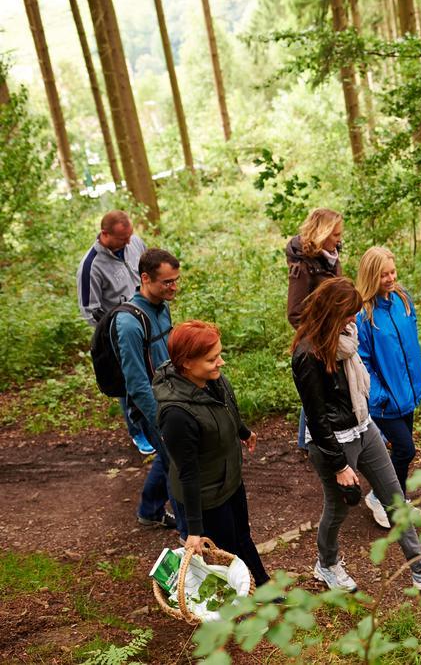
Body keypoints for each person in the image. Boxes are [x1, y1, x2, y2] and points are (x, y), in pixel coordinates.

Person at [291, 277, 421, 593]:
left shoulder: (347, 336)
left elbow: (357, 389)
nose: (354, 320)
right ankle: (326, 564)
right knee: (338, 508)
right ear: (330, 314)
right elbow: (316, 417)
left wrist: (371, 425)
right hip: (334, 442)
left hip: (364, 427)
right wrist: (340, 466)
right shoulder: (308, 355)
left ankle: (420, 570)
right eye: (348, 314)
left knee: (394, 497)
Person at [153, 320, 270, 586]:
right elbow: (188, 473)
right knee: (227, 550)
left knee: (242, 535)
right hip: (206, 496)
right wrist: (194, 530)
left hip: (228, 478)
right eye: (211, 359)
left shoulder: (212, 380)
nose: (221, 363)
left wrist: (243, 431)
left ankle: (261, 583)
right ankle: (240, 599)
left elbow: (226, 409)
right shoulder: (176, 415)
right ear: (186, 364)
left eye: (219, 355)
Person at [355, 247, 421, 529]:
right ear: (371, 275)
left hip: (406, 393)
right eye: (383, 274)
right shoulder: (364, 314)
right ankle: (384, 499)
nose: (390, 278)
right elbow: (362, 362)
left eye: (393, 272)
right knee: (405, 450)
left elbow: (410, 345)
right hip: (385, 400)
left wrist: (416, 384)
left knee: (400, 450)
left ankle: (393, 497)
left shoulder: (402, 300)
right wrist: (380, 396)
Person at [116, 248, 186, 537]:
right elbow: (135, 384)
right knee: (179, 465)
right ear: (145, 278)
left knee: (168, 455)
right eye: (167, 282)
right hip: (152, 408)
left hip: (171, 396)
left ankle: (149, 511)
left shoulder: (161, 306)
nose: (174, 287)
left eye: (176, 280)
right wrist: (161, 418)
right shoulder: (130, 324)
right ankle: (189, 534)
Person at [76, 210, 152, 455]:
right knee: (129, 383)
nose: (128, 242)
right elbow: (90, 310)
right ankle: (138, 432)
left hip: (149, 322)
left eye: (129, 236)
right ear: (105, 234)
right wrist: (117, 328)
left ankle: (158, 420)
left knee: (153, 372)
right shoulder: (91, 266)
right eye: (122, 239)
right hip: (120, 334)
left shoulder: (134, 242)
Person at [286, 208, 344, 450]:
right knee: (315, 388)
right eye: (335, 235)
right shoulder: (303, 265)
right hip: (318, 338)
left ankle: (310, 439)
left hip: (336, 331)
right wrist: (317, 338)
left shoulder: (331, 256)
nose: (339, 240)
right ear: (321, 234)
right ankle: (308, 441)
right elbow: (295, 313)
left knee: (322, 386)